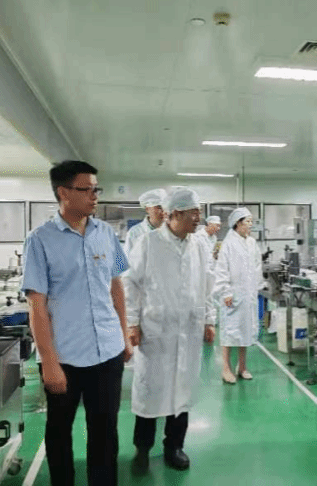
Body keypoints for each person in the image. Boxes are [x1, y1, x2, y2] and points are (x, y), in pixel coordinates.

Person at [21, 160, 133, 486]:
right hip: (65, 357)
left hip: (107, 352)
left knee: (105, 430)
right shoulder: (40, 240)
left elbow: (116, 287)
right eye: (87, 190)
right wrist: (49, 362)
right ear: (63, 192)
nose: (95, 196)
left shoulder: (106, 234)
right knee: (59, 432)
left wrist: (124, 335)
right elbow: (37, 305)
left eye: (97, 189)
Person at [123, 188, 216, 472]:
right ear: (174, 214)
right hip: (156, 332)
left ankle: (174, 446)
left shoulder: (199, 245)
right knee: (149, 393)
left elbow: (207, 284)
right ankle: (142, 448)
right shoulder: (148, 243)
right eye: (193, 213)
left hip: (188, 331)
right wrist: (132, 323)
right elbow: (130, 283)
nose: (198, 218)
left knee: (182, 393)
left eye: (199, 212)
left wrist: (209, 319)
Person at [213, 207, 264, 384]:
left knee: (245, 331)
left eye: (251, 221)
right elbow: (222, 270)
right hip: (232, 296)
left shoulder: (251, 243)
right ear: (237, 223)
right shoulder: (228, 243)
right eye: (247, 221)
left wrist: (257, 287)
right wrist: (226, 292)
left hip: (248, 295)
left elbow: (257, 266)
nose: (250, 225)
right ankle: (226, 369)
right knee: (229, 332)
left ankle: (242, 367)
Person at [123, 188, 166, 256]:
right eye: (159, 207)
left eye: (165, 207)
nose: (163, 211)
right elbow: (127, 258)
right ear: (147, 209)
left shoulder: (173, 231)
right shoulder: (135, 233)